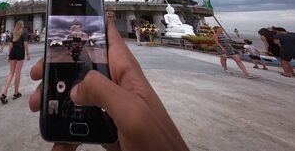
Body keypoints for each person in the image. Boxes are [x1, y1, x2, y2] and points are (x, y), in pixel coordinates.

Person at [29, 11, 190, 151]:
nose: (76, 26)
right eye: (75, 24)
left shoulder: (81, 37)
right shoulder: (72, 33)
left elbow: (84, 40)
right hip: (74, 60)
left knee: (81, 82)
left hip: (83, 61)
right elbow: (69, 41)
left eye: (77, 24)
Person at [0, 20, 30, 104]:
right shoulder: (23, 33)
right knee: (17, 74)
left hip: (13, 53)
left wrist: (9, 56)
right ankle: (16, 93)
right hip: (20, 53)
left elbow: (10, 45)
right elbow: (25, 44)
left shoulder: (13, 34)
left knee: (10, 73)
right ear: (21, 25)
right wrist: (28, 54)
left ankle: (4, 94)